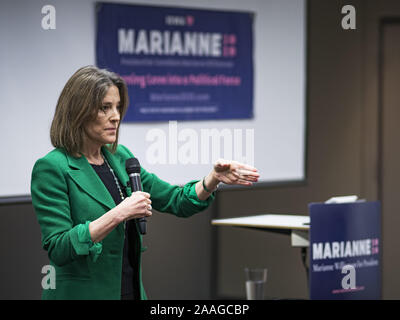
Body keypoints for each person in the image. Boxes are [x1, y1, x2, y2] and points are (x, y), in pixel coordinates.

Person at [31, 65, 259, 300]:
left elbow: (176, 200)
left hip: (129, 291)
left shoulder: (120, 158)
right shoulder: (52, 168)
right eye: (104, 108)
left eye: (118, 107)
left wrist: (212, 179)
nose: (116, 116)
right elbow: (59, 248)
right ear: (78, 111)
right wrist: (119, 213)